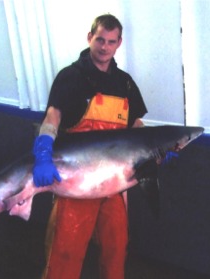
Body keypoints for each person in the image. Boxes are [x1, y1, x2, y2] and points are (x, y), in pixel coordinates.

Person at [32, 14, 147, 279]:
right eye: (99, 40)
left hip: (112, 184)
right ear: (89, 38)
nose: (104, 47)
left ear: (119, 43)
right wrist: (43, 153)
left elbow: (136, 125)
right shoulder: (70, 77)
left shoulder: (125, 83)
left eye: (110, 41)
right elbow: (52, 117)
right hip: (75, 182)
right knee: (65, 251)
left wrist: (153, 149)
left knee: (116, 247)